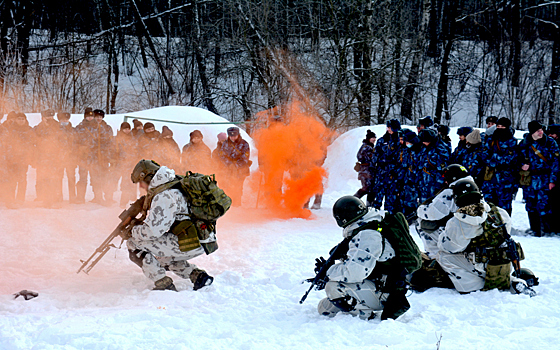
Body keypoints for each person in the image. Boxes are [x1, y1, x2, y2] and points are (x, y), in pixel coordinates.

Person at [316, 196, 412, 320]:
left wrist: (328, 272)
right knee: (324, 309)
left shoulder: (368, 236)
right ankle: (359, 307)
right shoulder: (366, 224)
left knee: (333, 288)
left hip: (386, 292)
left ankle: (364, 315)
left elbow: (355, 272)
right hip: (376, 283)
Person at [125, 159, 214, 291]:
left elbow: (152, 231)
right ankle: (198, 276)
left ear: (149, 177)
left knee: (133, 243)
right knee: (163, 259)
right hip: (202, 239)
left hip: (189, 241)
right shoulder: (174, 184)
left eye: (141, 182)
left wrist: (132, 231)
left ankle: (163, 283)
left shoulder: (164, 195)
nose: (141, 186)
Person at [436, 178, 533, 295]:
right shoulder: (498, 212)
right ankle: (512, 282)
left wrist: (443, 236)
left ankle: (472, 286)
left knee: (443, 256)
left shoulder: (458, 222)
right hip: (504, 263)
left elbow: (450, 248)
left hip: (481, 264)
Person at [416, 164, 472, 259]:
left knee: (422, 224)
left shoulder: (450, 192)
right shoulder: (473, 188)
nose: (445, 180)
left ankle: (435, 258)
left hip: (456, 236)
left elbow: (431, 213)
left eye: (446, 177)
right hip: (469, 232)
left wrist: (420, 209)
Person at [518, 120, 559, 236]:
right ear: (532, 132)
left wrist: (552, 180)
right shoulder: (524, 143)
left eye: (541, 130)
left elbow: (556, 163)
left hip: (545, 178)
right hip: (529, 178)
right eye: (538, 130)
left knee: (544, 204)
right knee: (530, 204)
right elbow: (516, 158)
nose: (541, 132)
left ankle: (546, 230)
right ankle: (534, 228)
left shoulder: (550, 143)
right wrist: (522, 164)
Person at [481, 117, 518, 215]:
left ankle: (505, 226)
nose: (500, 128)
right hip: (490, 177)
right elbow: (484, 156)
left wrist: (494, 158)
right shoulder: (491, 139)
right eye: (498, 126)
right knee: (489, 202)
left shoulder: (512, 141)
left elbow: (510, 159)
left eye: (503, 126)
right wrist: (495, 161)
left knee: (505, 204)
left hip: (506, 178)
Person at [33, 109, 64, 204]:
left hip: (55, 157)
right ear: (43, 117)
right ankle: (42, 197)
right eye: (47, 116)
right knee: (42, 177)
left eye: (51, 116)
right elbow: (32, 140)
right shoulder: (38, 128)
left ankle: (57, 197)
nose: (49, 118)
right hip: (42, 157)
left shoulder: (58, 126)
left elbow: (64, 140)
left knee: (56, 178)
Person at [371, 119, 401, 213]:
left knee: (390, 200)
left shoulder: (399, 141)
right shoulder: (382, 140)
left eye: (390, 127)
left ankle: (389, 219)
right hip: (381, 173)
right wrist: (373, 168)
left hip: (393, 174)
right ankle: (374, 216)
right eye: (388, 127)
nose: (388, 129)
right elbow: (375, 155)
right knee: (377, 199)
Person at [4, 112, 33, 203]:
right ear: (16, 120)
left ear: (25, 120)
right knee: (12, 180)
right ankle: (11, 199)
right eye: (19, 119)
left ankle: (20, 199)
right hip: (12, 159)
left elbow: (34, 144)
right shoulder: (10, 130)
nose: (21, 121)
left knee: (22, 180)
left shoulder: (29, 130)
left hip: (24, 160)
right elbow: (5, 144)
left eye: (22, 119)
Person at [220, 127, 251, 206]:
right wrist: (229, 164)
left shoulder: (244, 144)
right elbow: (222, 156)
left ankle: (237, 204)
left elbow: (245, 157)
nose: (233, 137)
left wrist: (235, 165)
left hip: (240, 170)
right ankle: (229, 204)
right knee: (228, 186)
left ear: (238, 134)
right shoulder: (225, 143)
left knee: (238, 186)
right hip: (228, 169)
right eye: (231, 136)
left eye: (234, 136)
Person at [417, 128, 450, 203]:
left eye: (425, 141)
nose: (423, 143)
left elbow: (443, 169)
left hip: (435, 184)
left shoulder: (441, 150)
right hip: (425, 182)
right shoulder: (425, 147)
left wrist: (438, 184)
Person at [114, 122, 139, 207]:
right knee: (113, 181)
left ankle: (123, 202)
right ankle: (108, 198)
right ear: (122, 129)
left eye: (128, 129)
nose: (127, 131)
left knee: (127, 183)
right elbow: (113, 151)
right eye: (125, 129)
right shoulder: (117, 139)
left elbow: (136, 150)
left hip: (130, 164)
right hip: (119, 164)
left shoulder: (133, 138)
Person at [58, 112, 79, 203]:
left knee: (71, 178)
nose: (64, 121)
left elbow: (76, 143)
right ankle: (58, 196)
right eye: (62, 120)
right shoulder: (56, 130)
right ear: (59, 120)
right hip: (59, 158)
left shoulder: (73, 130)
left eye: (66, 120)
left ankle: (72, 197)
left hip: (71, 158)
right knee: (58, 177)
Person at [354, 129, 376, 205]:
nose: (374, 139)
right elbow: (360, 157)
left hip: (368, 171)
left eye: (374, 138)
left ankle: (369, 204)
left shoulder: (368, 146)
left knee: (369, 189)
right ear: (368, 138)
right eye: (372, 138)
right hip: (365, 171)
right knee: (367, 189)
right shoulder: (367, 147)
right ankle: (353, 200)